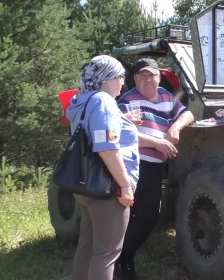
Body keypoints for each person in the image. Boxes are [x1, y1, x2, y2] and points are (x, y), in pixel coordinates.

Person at [115, 58, 194, 279]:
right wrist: (157, 143)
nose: (148, 79)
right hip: (131, 164)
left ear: (159, 77)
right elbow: (120, 133)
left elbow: (188, 113)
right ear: (135, 79)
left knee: (149, 216)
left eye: (152, 75)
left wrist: (176, 127)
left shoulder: (166, 97)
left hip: (154, 168)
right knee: (125, 214)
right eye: (142, 76)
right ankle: (122, 261)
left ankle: (123, 255)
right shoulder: (128, 99)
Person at [66, 55, 139, 280]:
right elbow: (107, 147)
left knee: (87, 248)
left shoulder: (82, 99)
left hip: (85, 186)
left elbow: (93, 132)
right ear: (107, 78)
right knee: (106, 254)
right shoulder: (103, 101)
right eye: (121, 77)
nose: (123, 84)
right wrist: (125, 185)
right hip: (107, 188)